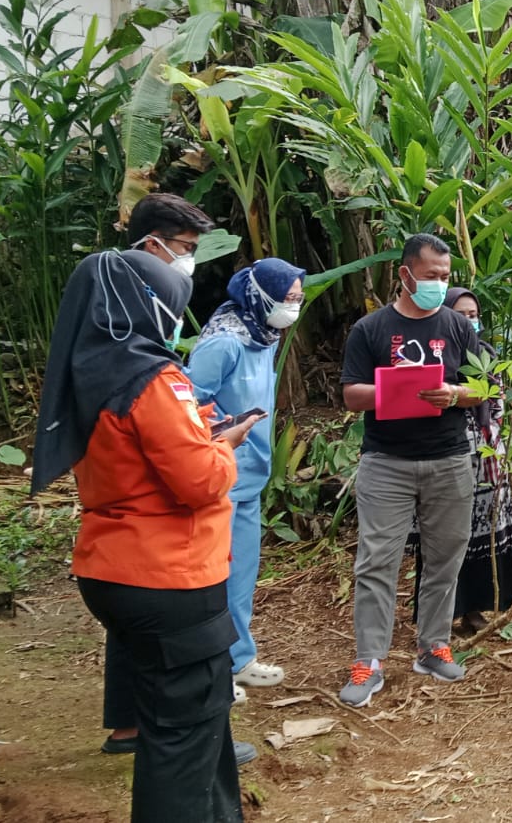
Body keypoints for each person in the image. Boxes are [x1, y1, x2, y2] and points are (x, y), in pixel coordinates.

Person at [31, 243, 261, 823]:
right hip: (171, 576)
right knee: (184, 737)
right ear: (149, 306)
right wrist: (225, 446)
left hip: (111, 566)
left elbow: (134, 453)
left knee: (179, 723)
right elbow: (200, 482)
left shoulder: (88, 372)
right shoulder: (154, 379)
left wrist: (198, 427)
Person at [338, 233, 484, 707]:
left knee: (446, 556)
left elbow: (484, 386)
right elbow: (351, 394)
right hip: (387, 462)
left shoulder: (458, 327)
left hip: (449, 458)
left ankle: (433, 646)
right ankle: (369, 660)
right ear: (405, 275)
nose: (439, 283)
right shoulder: (371, 329)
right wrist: (400, 390)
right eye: (430, 275)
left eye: (446, 276)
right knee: (376, 561)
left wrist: (455, 394)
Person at [186, 258, 307, 697]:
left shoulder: (264, 336)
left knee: (240, 577)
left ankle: (238, 659)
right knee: (212, 579)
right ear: (261, 296)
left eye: (298, 298)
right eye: (287, 298)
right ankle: (209, 669)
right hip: (219, 476)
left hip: (251, 474)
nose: (293, 307)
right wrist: (222, 436)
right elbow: (187, 406)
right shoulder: (225, 342)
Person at [409, 287, 512, 634]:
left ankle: (476, 609)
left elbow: (497, 403)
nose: (469, 321)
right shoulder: (429, 355)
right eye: (460, 315)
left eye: (473, 315)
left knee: (484, 533)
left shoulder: (486, 356)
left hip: (486, 456)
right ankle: (441, 615)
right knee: (443, 537)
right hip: (444, 454)